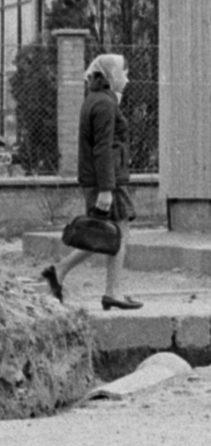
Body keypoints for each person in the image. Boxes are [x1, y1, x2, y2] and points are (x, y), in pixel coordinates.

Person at [40, 53, 142, 311]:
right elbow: (102, 149)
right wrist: (107, 190)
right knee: (118, 233)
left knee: (101, 234)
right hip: (107, 182)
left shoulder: (95, 100)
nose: (127, 79)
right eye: (123, 73)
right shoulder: (105, 105)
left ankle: (59, 272)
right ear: (109, 76)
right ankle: (112, 292)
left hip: (99, 179)